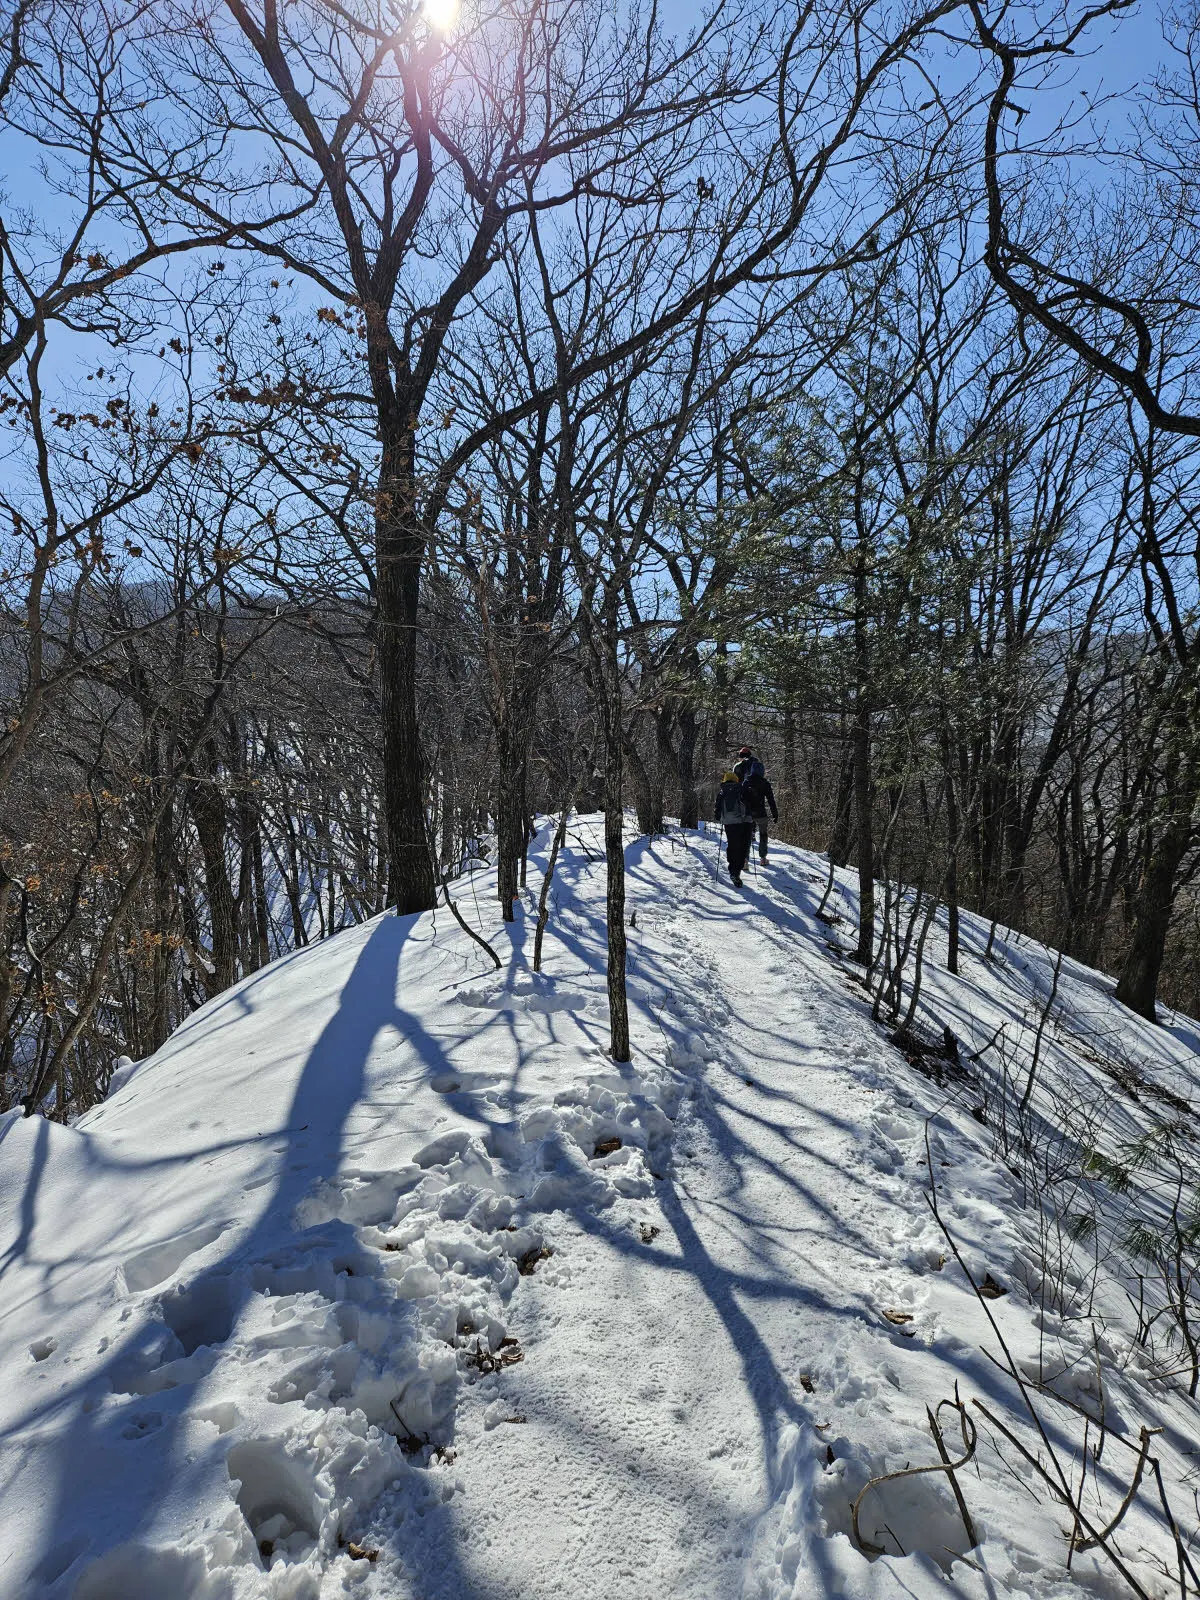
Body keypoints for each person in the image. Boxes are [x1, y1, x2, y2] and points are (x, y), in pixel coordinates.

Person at [733, 745, 779, 863]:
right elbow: (771, 800)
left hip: (747, 811)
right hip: (761, 812)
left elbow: (740, 796)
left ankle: (745, 860)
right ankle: (763, 858)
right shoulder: (765, 783)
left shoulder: (744, 778)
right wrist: (775, 813)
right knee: (763, 834)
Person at [714, 769, 753, 887]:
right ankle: (737, 870)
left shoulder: (722, 793)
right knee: (743, 846)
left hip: (729, 823)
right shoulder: (742, 789)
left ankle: (733, 870)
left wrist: (720, 818)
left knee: (733, 845)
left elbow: (717, 812)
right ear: (736, 780)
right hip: (743, 823)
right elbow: (749, 806)